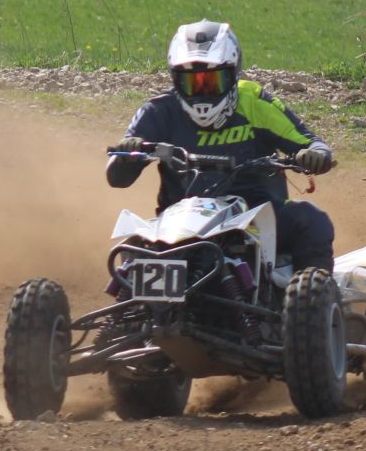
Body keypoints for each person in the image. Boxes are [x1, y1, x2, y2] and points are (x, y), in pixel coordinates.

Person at [106, 19, 337, 272]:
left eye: (211, 81)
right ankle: (130, 294)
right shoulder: (159, 111)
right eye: (192, 83)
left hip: (256, 219)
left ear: (232, 76)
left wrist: (313, 155)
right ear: (176, 80)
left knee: (312, 221)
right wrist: (127, 156)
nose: (202, 92)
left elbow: (313, 143)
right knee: (135, 245)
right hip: (178, 226)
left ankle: (316, 293)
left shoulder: (255, 103)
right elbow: (117, 178)